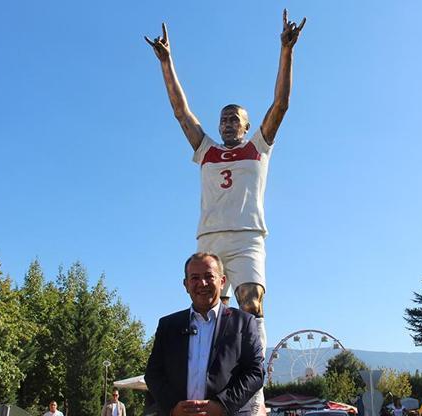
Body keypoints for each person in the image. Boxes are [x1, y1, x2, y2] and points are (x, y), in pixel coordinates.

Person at [144, 10, 306, 362]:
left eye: (235, 119)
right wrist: (166, 62)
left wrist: (286, 51)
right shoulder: (206, 151)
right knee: (210, 312)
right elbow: (180, 111)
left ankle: (254, 379)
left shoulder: (258, 148)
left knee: (251, 301)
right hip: (210, 239)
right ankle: (212, 375)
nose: (228, 123)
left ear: (247, 127)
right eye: (223, 119)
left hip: (247, 237)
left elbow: (281, 104)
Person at [145, 252, 265, 416]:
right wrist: (173, 408)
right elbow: (153, 374)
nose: (202, 283)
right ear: (186, 284)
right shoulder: (168, 326)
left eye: (209, 276)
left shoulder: (244, 322)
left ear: (222, 281)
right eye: (194, 278)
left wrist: (222, 405)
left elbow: (255, 372)